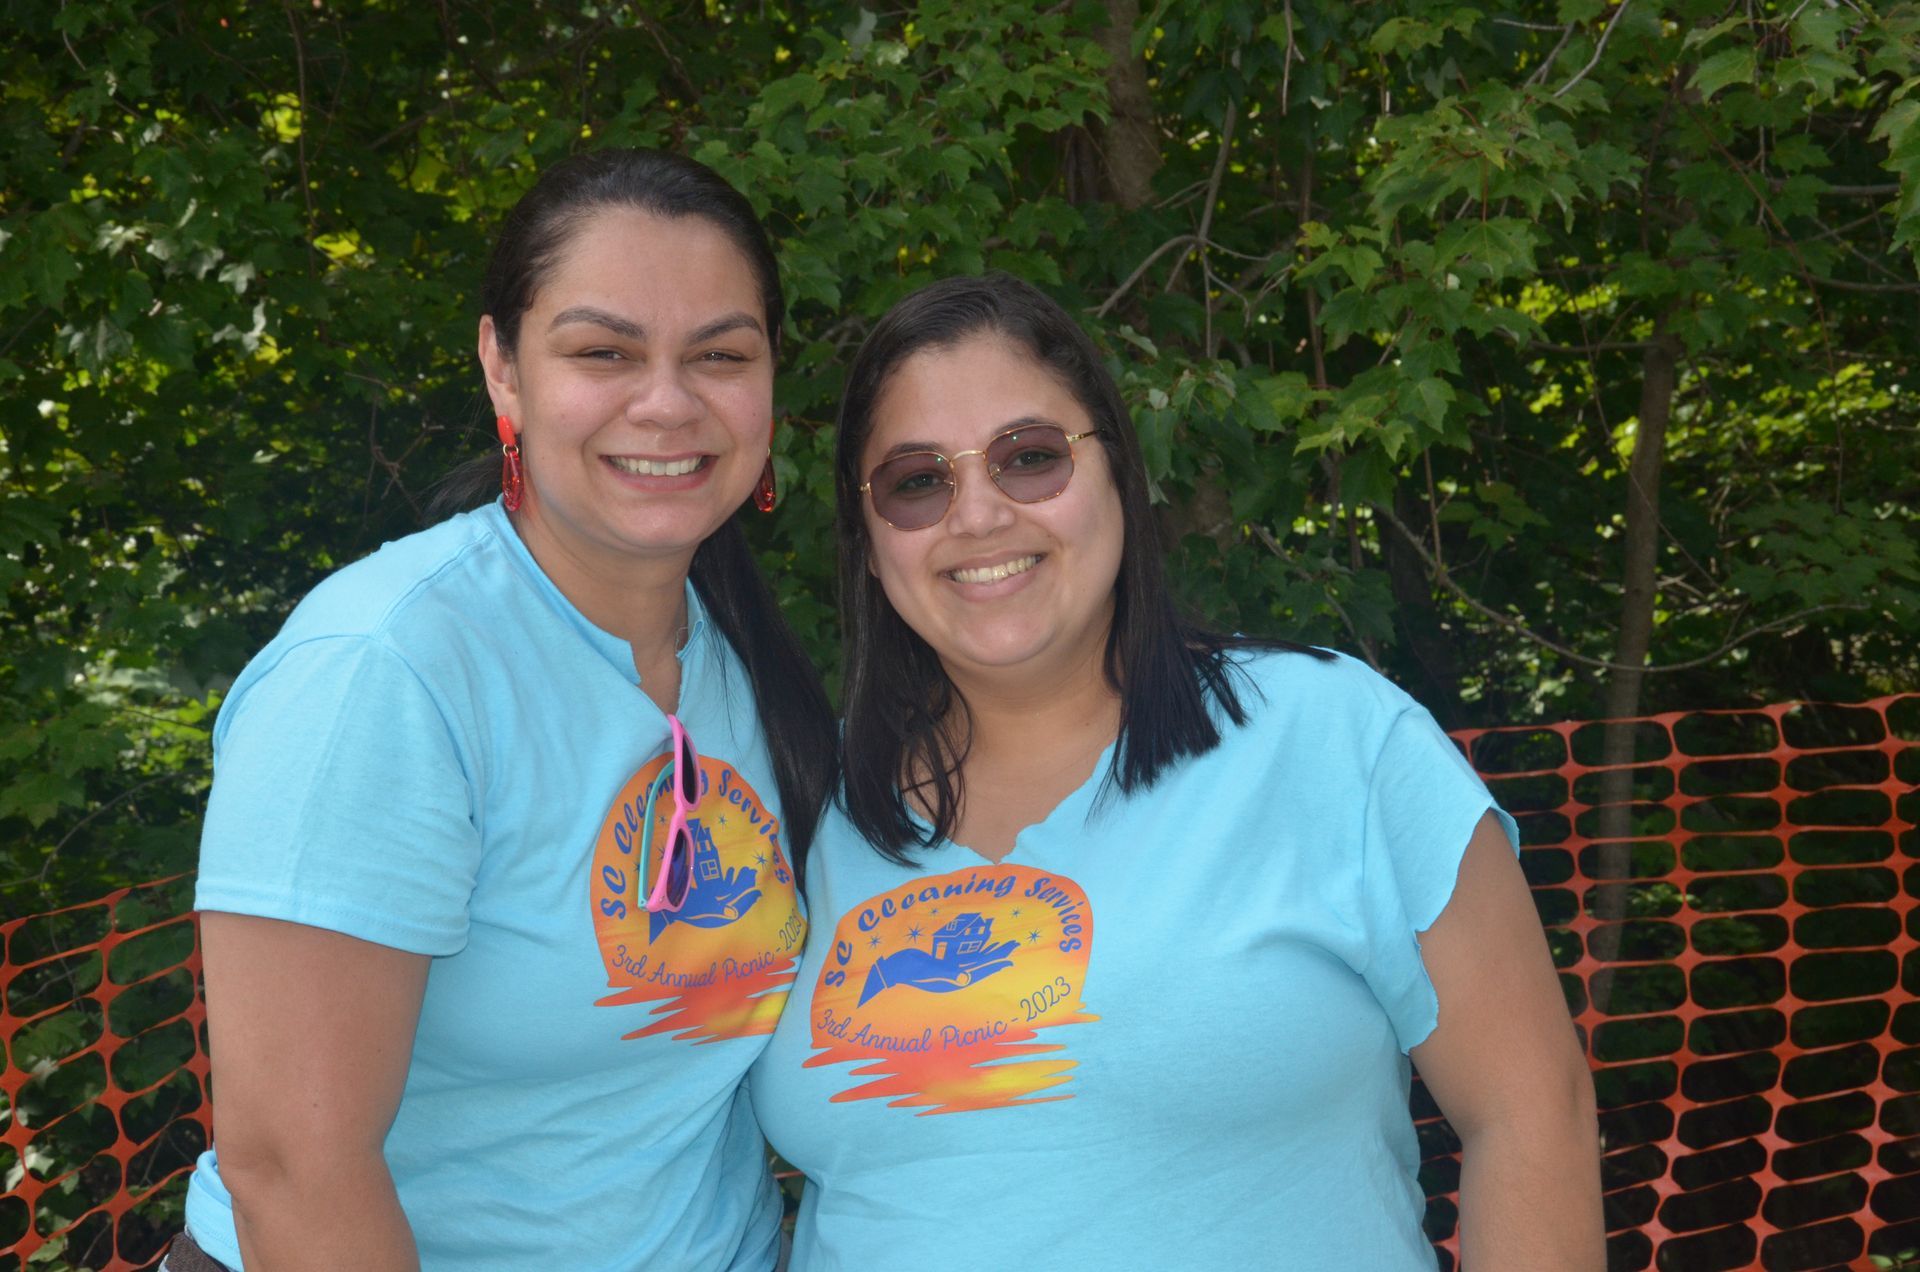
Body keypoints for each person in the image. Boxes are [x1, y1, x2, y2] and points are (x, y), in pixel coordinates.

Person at [748, 273, 1603, 1270]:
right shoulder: (801, 808)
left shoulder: (1332, 739)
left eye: (1030, 459)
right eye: (916, 480)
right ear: (868, 536)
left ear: (1118, 469)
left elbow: (1530, 1114)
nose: (975, 514)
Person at [169, 148, 835, 1272]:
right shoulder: (385, 671)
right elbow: (291, 1170)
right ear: (503, 369)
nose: (668, 401)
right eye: (602, 351)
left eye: (720, 354)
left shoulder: (731, 653)